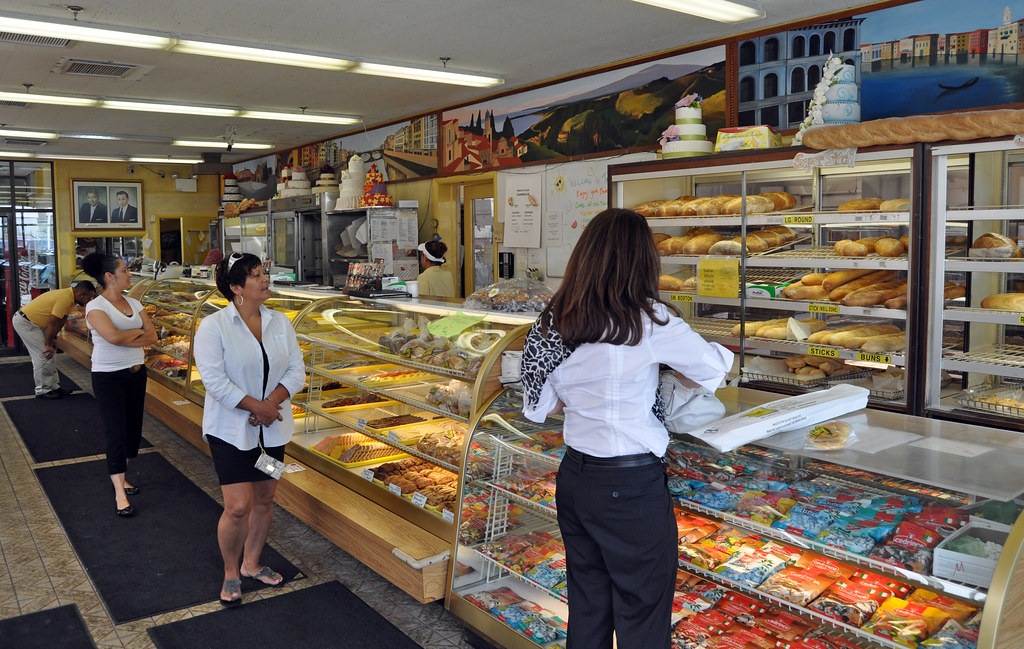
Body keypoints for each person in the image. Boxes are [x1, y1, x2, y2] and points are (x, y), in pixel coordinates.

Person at [520, 208, 733, 649]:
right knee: (642, 614)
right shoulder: (648, 318)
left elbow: (545, 406)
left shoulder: (555, 317)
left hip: (576, 479)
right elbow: (714, 367)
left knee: (588, 603)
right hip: (630, 485)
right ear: (642, 261)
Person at [193, 252, 305, 607]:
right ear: (236, 288)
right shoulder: (213, 327)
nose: (265, 279)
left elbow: (296, 371)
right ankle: (230, 571)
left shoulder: (280, 323)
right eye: (257, 275)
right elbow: (214, 381)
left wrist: (270, 404)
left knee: (266, 499)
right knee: (238, 506)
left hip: (272, 433)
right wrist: (258, 407)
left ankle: (251, 563)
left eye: (264, 273)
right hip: (229, 433)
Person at [82, 252, 158, 518]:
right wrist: (136, 335)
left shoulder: (135, 303)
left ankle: (122, 476)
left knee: (132, 430)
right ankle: (120, 494)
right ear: (109, 277)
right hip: (108, 376)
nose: (130, 274)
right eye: (125, 270)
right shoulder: (95, 307)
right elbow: (112, 337)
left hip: (137, 373)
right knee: (115, 432)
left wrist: (129, 337)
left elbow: (154, 336)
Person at [13, 281, 96, 399]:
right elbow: (53, 322)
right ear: (81, 294)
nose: (90, 300)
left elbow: (62, 320)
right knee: (43, 354)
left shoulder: (72, 298)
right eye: (89, 297)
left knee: (51, 353)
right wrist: (48, 343)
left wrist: (53, 339)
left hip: (38, 324)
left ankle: (53, 386)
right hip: (26, 323)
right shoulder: (65, 298)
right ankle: (42, 390)